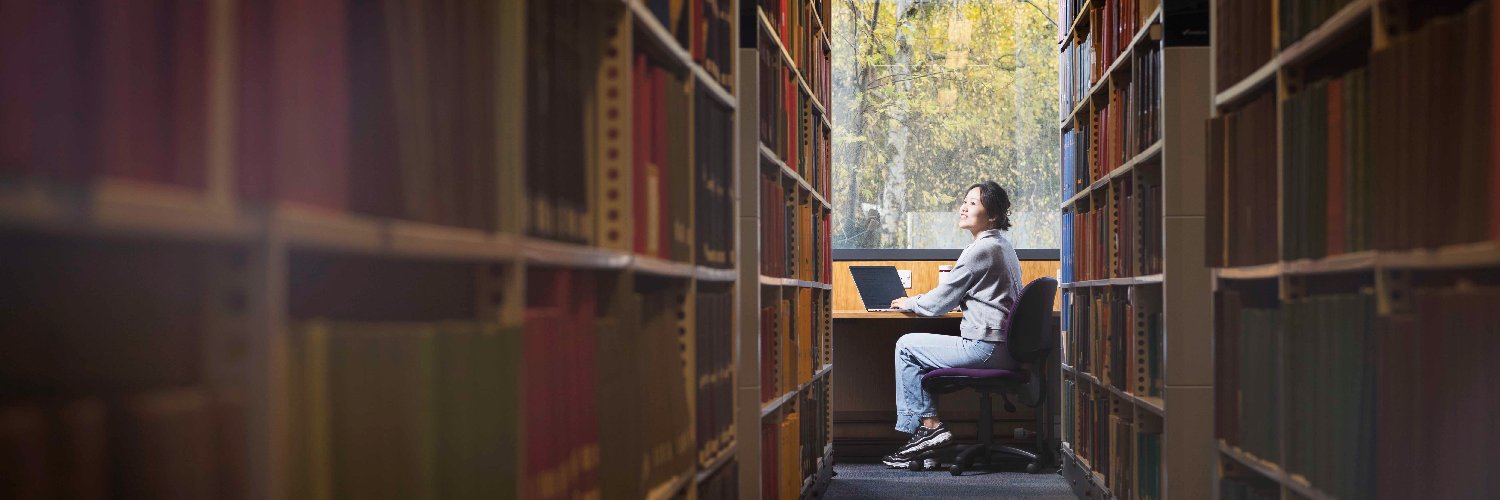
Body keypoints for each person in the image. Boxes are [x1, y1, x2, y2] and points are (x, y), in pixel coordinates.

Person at [881, 181, 1024, 468]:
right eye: (965, 200)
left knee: (906, 346)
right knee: (922, 354)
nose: (963, 207)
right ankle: (929, 446)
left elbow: (939, 303)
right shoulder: (1001, 246)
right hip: (1003, 348)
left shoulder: (981, 250)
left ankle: (930, 430)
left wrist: (909, 302)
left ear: (993, 215)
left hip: (985, 348)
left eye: (972, 203)